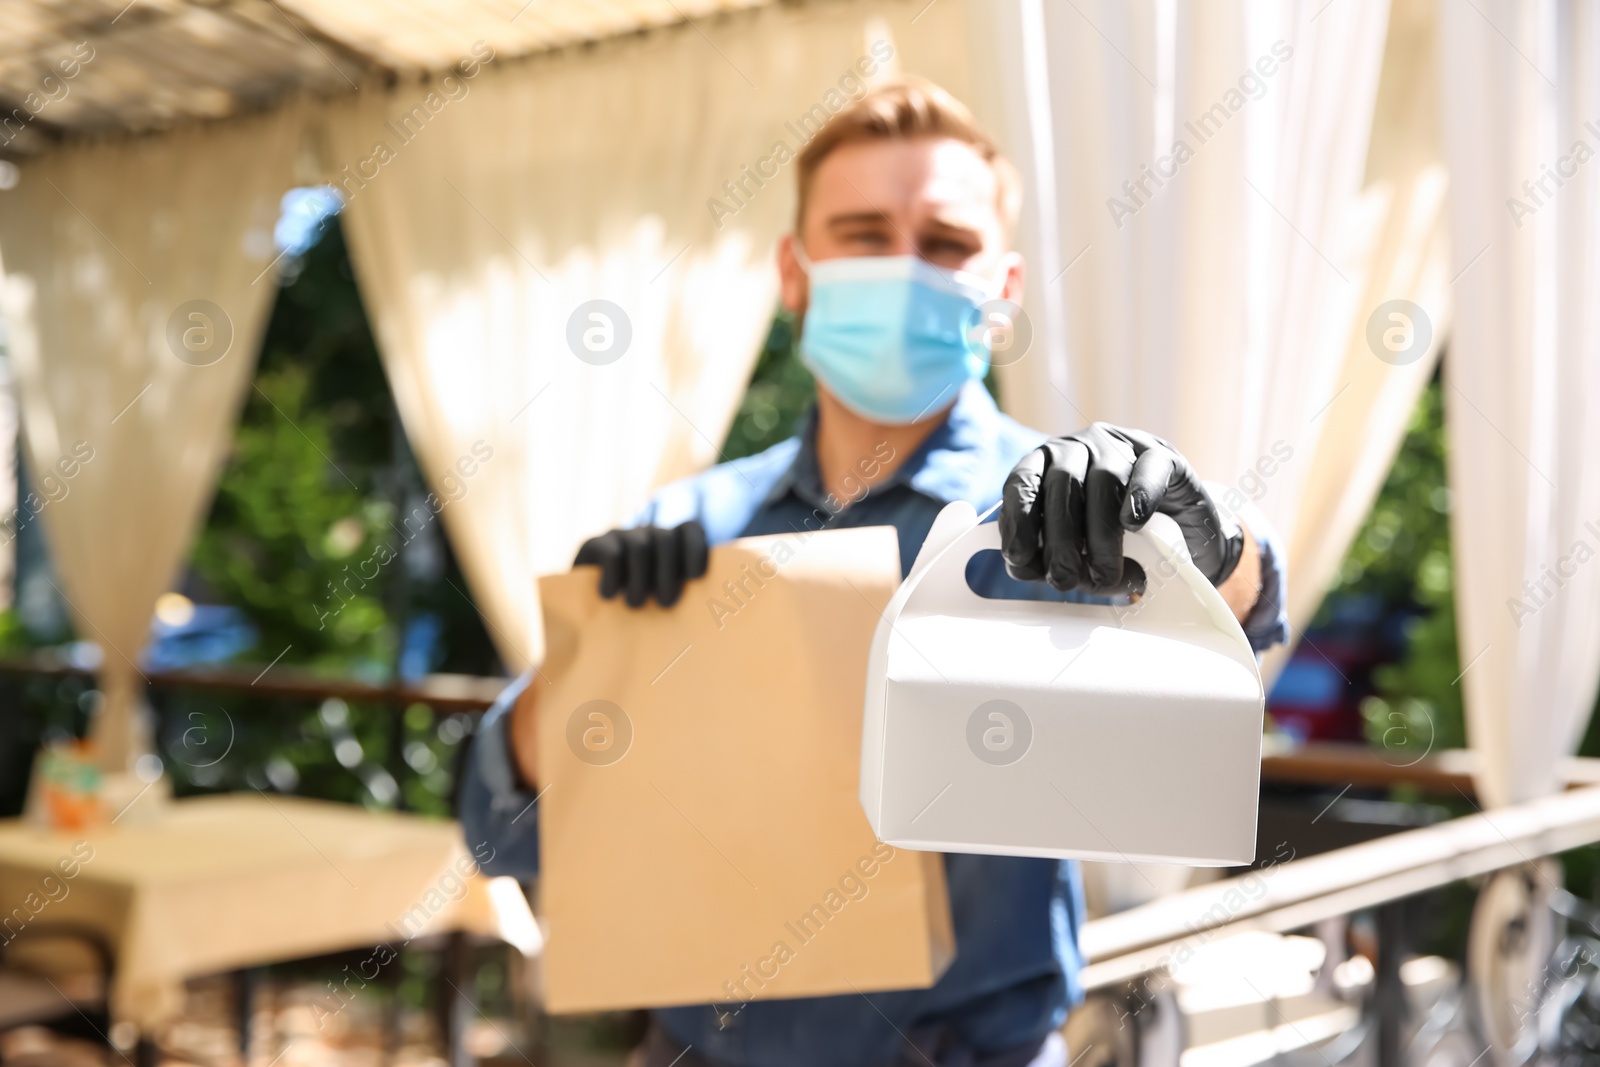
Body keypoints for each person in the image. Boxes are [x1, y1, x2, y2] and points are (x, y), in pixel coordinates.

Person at [460, 76, 1287, 1067]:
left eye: (944, 244)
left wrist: (1213, 540)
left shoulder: (1071, 518)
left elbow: (1232, 635)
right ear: (795, 273)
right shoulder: (688, 525)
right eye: (861, 233)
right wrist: (596, 659)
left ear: (1005, 289)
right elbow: (504, 835)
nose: (904, 269)